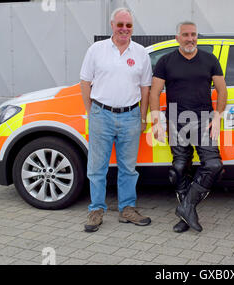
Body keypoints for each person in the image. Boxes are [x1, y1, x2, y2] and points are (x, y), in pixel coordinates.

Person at [149, 21, 228, 233]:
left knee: (213, 165)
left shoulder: (209, 59)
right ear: (177, 38)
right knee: (179, 169)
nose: (190, 38)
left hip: (204, 119)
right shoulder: (166, 61)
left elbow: (222, 90)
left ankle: (186, 207)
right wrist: (156, 121)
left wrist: (218, 116)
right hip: (176, 119)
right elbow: (154, 92)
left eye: (193, 34)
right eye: (185, 35)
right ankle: (187, 215)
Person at [80, 8, 152, 232]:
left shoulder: (140, 53)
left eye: (128, 25)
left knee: (128, 168)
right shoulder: (96, 50)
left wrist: (142, 117)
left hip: (131, 115)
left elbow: (145, 88)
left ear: (132, 28)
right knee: (96, 168)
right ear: (112, 25)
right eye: (120, 24)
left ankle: (127, 209)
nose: (124, 29)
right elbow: (85, 82)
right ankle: (96, 210)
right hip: (102, 114)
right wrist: (91, 112)